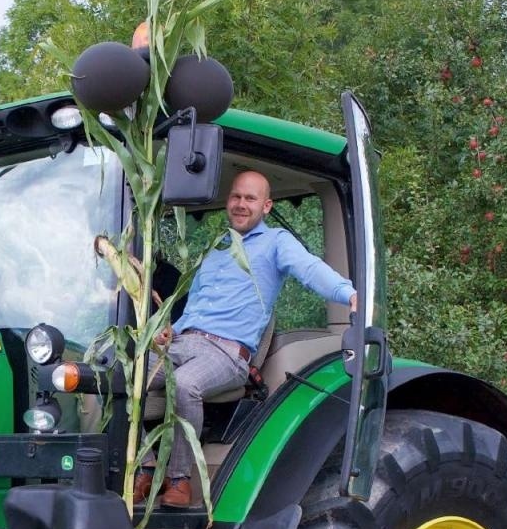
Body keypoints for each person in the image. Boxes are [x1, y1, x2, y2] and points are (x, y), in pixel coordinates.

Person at [135, 170, 357, 509]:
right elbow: (194, 307)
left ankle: (179, 480)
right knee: (121, 373)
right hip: (183, 343)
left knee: (184, 384)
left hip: (226, 353)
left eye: (250, 198)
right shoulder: (217, 248)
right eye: (236, 196)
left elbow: (310, 269)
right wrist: (172, 331)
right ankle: (147, 465)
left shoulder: (276, 242)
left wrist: (349, 294)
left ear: (266, 206)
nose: (241, 204)